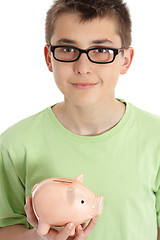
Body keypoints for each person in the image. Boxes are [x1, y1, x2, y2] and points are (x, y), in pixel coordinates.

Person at [0, 0, 160, 239]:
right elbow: (5, 228)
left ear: (125, 59)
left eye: (101, 50)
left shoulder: (155, 137)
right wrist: (37, 237)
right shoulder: (15, 144)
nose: (83, 67)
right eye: (67, 49)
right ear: (48, 57)